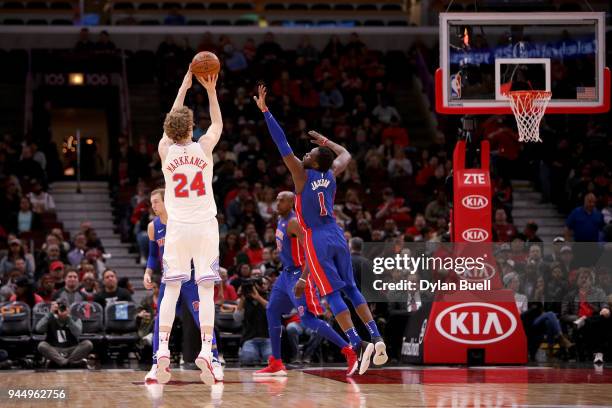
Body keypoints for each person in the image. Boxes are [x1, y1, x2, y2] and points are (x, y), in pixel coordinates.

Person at [255, 84, 387, 375]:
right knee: (351, 288)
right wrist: (327, 142)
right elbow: (347, 154)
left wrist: (266, 112)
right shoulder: (331, 172)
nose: (306, 152)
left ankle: (357, 342)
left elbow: (282, 144)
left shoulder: (301, 176)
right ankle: (376, 337)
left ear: (313, 161)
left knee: (332, 294)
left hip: (317, 237)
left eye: (311, 152)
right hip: (337, 233)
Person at [156, 67, 222, 385]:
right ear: (193, 127)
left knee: (171, 289)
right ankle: (207, 350)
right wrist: (209, 90)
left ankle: (163, 352)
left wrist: (182, 89)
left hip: (178, 228)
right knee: (206, 289)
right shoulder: (204, 147)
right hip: (205, 227)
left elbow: (172, 125)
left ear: (169, 128)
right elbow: (219, 123)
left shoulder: (164, 150)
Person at [255, 192, 357, 376]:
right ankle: (277, 362)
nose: (277, 203)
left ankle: (348, 350)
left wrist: (303, 278)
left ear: (292, 202)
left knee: (307, 319)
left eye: (282, 200)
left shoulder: (294, 222)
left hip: (299, 274)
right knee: (271, 310)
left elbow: (312, 250)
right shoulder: (281, 220)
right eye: (276, 199)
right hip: (285, 275)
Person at [142, 189, 223, 383]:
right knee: (160, 319)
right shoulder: (153, 226)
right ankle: (156, 364)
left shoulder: (182, 222)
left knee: (200, 317)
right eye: (151, 202)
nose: (153, 206)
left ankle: (214, 360)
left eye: (156, 202)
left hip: (192, 276)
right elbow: (154, 255)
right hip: (170, 276)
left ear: (166, 201)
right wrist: (148, 272)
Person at [36, 300, 93, 368]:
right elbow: (38, 329)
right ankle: (68, 363)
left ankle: (61, 362)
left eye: (63, 308)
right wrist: (50, 314)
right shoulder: (49, 318)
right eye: (59, 308)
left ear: (68, 309)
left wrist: (68, 318)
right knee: (42, 345)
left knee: (88, 344)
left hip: (72, 349)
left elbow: (78, 333)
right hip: (55, 349)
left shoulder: (75, 319)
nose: (61, 310)